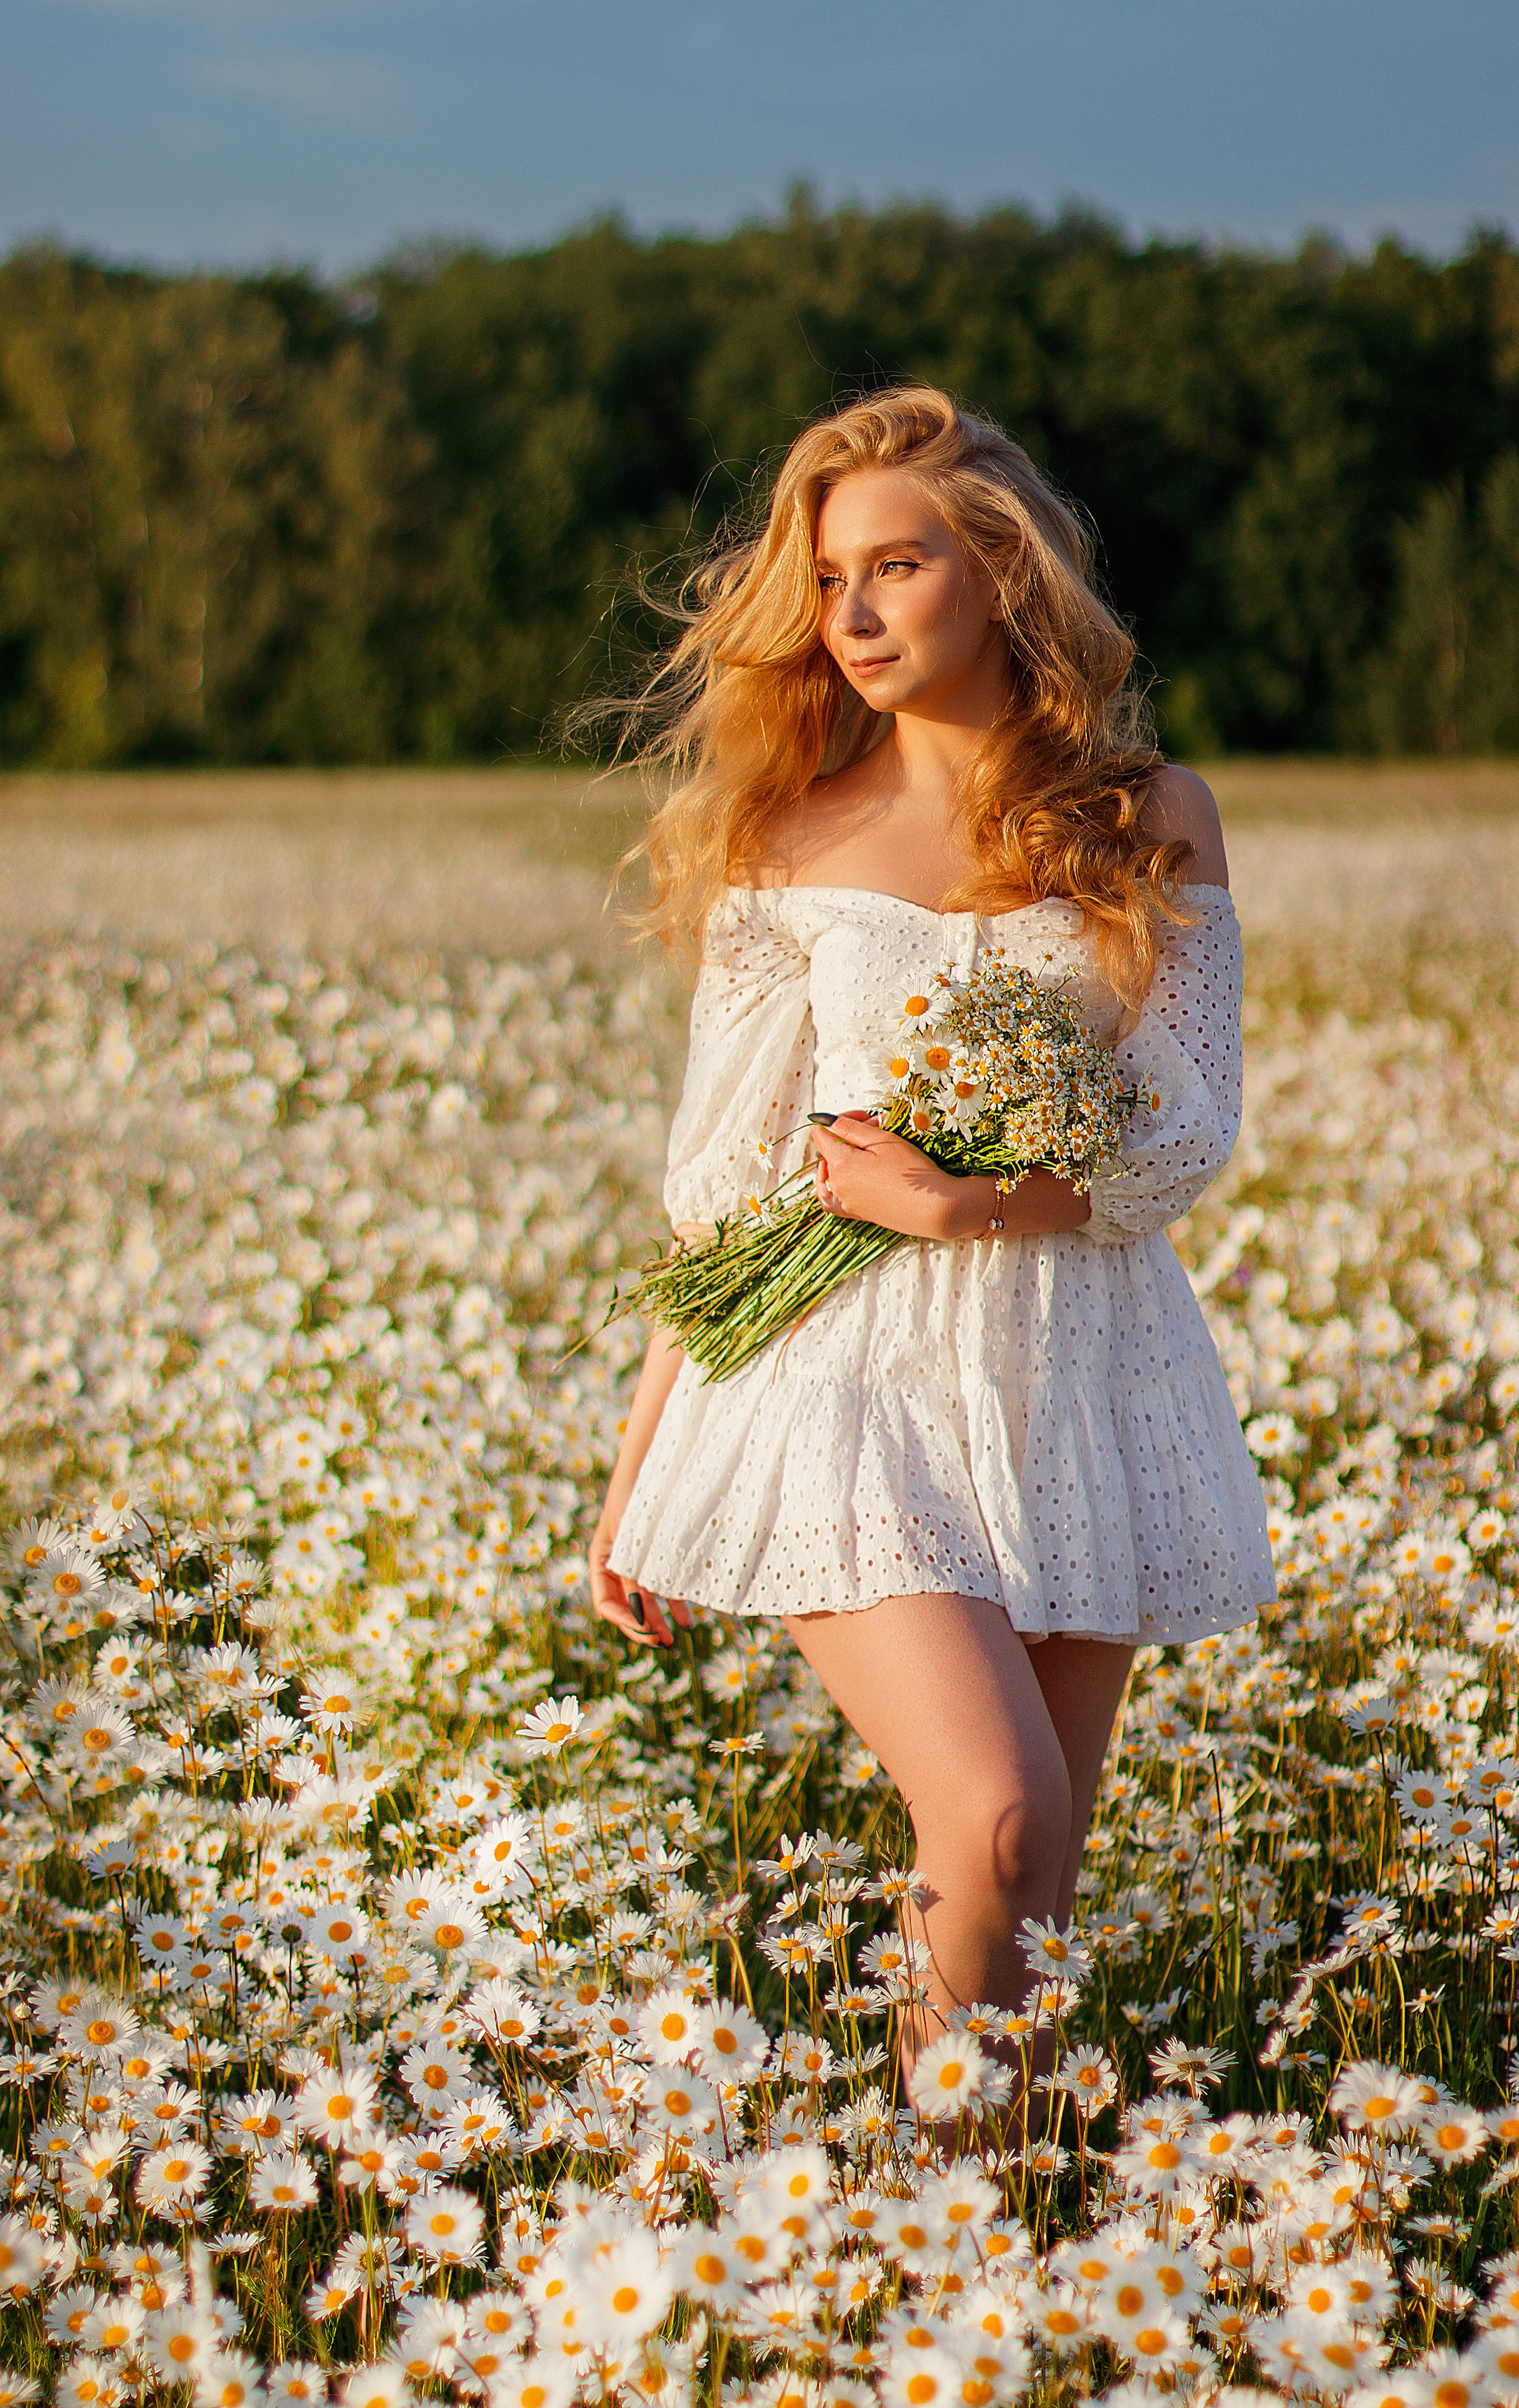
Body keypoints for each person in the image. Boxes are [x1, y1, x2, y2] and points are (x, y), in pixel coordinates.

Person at [587, 386, 1274, 2127]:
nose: (858, 614)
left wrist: (979, 1202)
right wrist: (638, 1453)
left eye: (898, 565)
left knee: (1031, 1868)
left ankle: (975, 2244)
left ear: (1000, 574)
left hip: (1075, 1365)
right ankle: (948, 2207)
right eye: (830, 581)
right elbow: (728, 1189)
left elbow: (1185, 1119)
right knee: (992, 1813)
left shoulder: (1149, 815)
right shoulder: (784, 841)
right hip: (839, 1372)